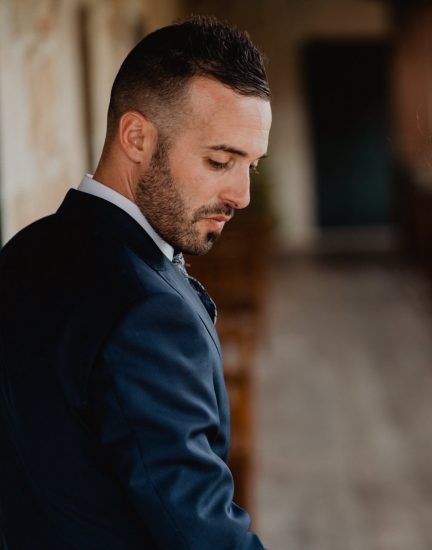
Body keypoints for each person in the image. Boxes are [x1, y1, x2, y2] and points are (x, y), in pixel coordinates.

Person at [0, 16, 270, 549]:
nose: (241, 194)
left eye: (252, 167)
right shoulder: (147, 311)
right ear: (137, 137)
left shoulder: (22, 251)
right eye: (220, 160)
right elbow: (199, 532)